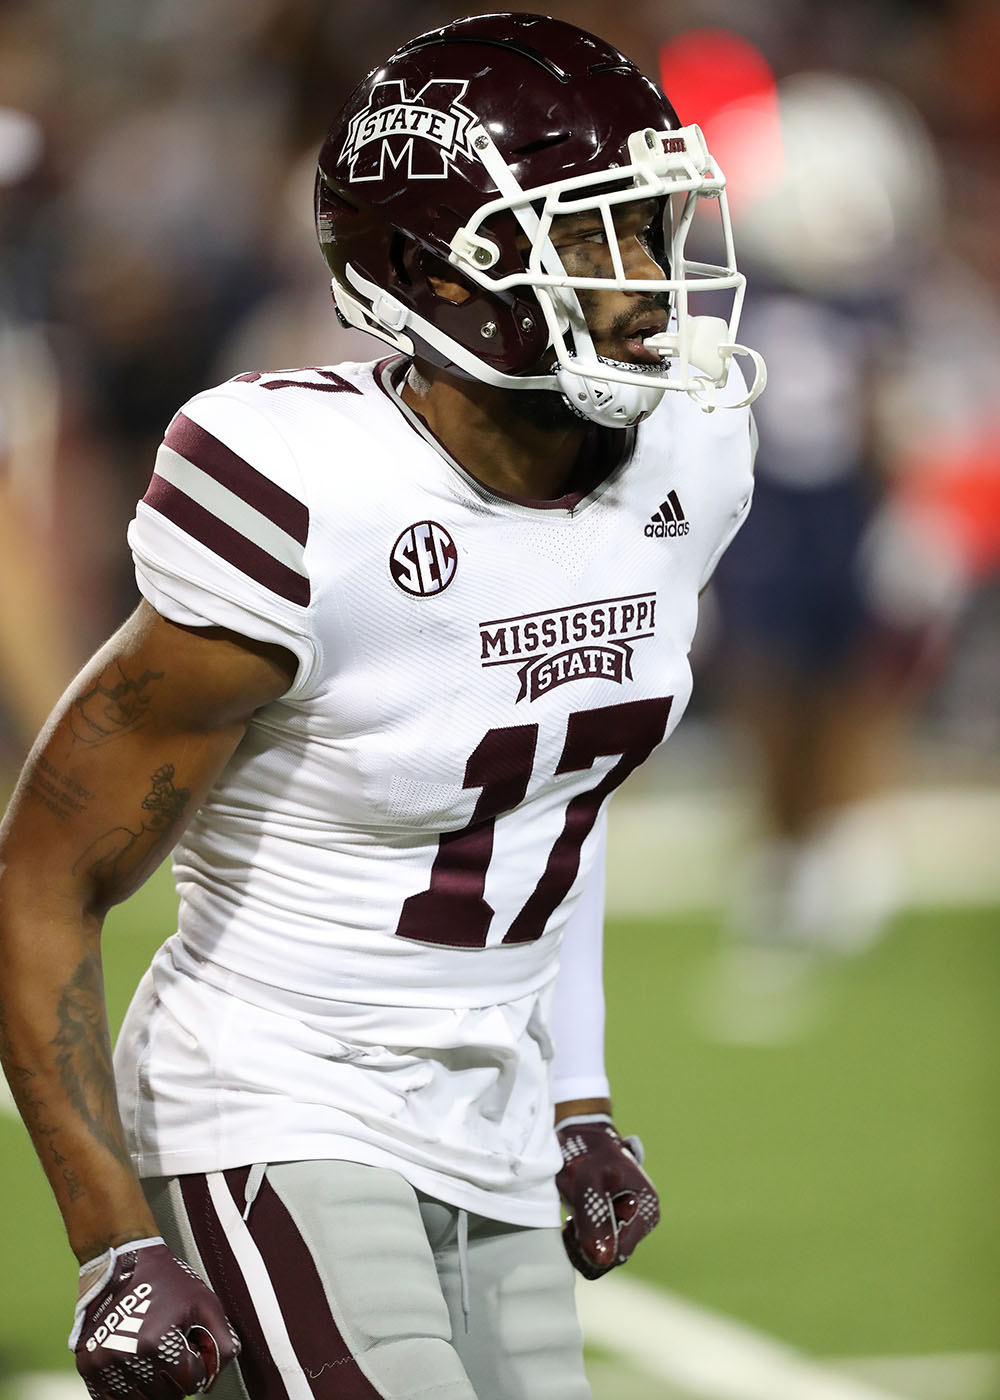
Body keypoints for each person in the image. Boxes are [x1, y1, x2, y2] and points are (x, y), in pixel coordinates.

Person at [0, 14, 763, 1400]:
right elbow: (43, 874)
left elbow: (553, 806)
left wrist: (577, 1098)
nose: (653, 282)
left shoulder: (691, 458)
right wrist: (109, 1237)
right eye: (593, 241)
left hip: (488, 1107)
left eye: (650, 229)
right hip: (271, 1097)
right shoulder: (306, 498)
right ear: (434, 273)